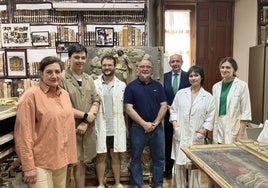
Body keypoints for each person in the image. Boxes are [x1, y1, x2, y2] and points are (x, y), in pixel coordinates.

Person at [14, 56, 77, 188]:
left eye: (57, 72)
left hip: (61, 160)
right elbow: (23, 135)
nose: (54, 76)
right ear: (41, 73)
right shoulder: (30, 96)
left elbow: (66, 127)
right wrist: (28, 166)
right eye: (49, 72)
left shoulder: (64, 95)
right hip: (40, 164)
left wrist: (70, 156)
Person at [61, 43, 100, 188]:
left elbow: (96, 100)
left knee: (81, 163)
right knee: (66, 165)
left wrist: (87, 121)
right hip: (69, 129)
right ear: (69, 58)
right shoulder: (61, 79)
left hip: (86, 129)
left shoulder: (88, 79)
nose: (80, 60)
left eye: (83, 57)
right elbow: (62, 107)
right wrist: (85, 115)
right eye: (76, 57)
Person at [124, 59, 168, 188]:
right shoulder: (131, 87)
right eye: (142, 67)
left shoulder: (158, 86)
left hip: (157, 128)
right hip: (138, 129)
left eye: (148, 67)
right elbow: (128, 108)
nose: (145, 69)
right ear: (138, 69)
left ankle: (158, 184)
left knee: (159, 158)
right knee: (136, 158)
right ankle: (137, 185)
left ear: (152, 70)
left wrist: (154, 123)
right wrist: (144, 124)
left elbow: (164, 106)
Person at [170, 65, 216, 188]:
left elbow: (210, 116)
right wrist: (176, 125)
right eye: (191, 75)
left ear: (201, 77)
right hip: (181, 133)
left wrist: (203, 131)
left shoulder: (208, 97)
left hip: (196, 135)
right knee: (179, 165)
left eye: (196, 75)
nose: (193, 78)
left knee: (195, 168)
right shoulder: (181, 93)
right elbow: (173, 110)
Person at [94, 55, 127, 188]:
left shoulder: (122, 85)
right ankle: (101, 184)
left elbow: (126, 108)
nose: (107, 68)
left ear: (114, 66)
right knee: (100, 155)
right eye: (104, 65)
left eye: (110, 65)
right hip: (100, 125)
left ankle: (117, 183)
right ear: (101, 66)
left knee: (115, 155)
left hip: (115, 127)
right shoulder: (95, 84)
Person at [212, 57, 252, 144]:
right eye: (222, 67)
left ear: (234, 70)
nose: (224, 70)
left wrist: (240, 134)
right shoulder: (216, 87)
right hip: (219, 125)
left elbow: (246, 111)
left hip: (235, 127)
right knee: (219, 155)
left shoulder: (242, 86)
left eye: (228, 67)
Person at [163, 54, 190, 178]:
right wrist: (169, 108)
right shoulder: (164, 78)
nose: (175, 63)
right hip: (167, 116)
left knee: (184, 142)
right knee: (168, 142)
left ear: (182, 62)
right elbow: (162, 96)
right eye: (172, 61)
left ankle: (185, 170)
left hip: (185, 117)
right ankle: (168, 169)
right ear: (169, 63)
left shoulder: (188, 76)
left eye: (177, 61)